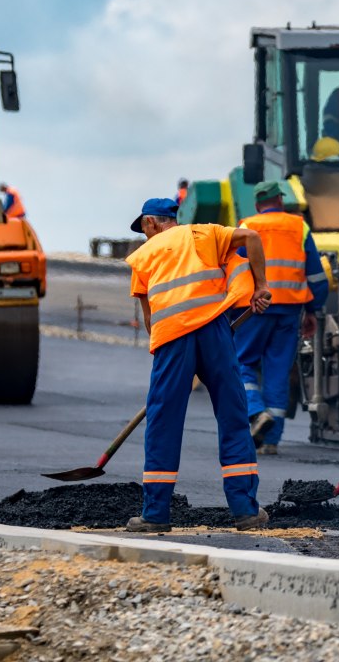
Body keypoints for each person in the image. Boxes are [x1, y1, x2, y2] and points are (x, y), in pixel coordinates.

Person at [124, 197, 273, 533]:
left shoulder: (143, 257)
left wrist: (172, 362)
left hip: (172, 339)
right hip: (215, 331)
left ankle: (155, 515)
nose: (146, 235)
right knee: (234, 417)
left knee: (163, 422)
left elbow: (150, 320)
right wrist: (261, 285)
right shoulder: (204, 234)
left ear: (151, 223)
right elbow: (251, 237)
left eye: (144, 228)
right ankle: (246, 512)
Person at [232, 180, 329, 455]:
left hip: (254, 308)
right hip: (289, 310)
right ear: (280, 201)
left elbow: (235, 269)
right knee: (278, 371)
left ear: (257, 204)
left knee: (241, 362)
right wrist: (313, 309)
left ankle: (255, 411)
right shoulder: (299, 226)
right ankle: (271, 441)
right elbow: (316, 276)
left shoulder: (246, 225)